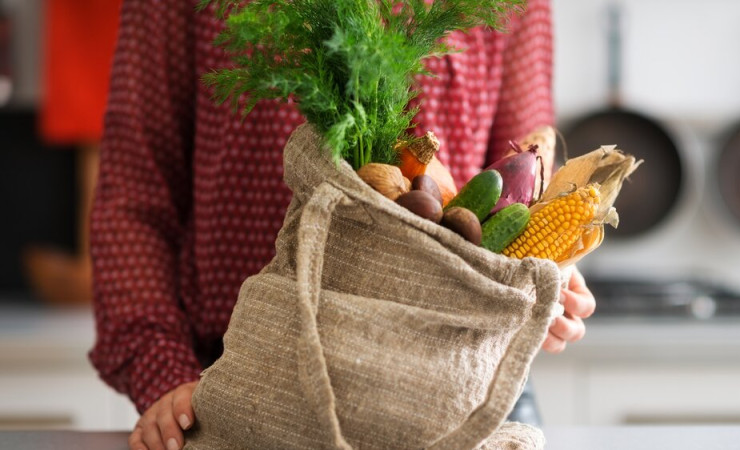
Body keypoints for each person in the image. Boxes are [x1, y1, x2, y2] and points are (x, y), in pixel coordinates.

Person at [88, 1, 596, 449]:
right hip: (231, 385)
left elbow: (523, 177)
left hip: (453, 387)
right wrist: (165, 374)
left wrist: (543, 284)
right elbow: (135, 194)